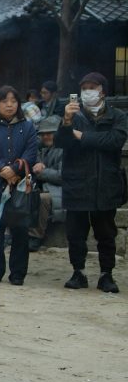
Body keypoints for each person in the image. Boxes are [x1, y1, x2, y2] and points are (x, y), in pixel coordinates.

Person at [55, 72, 127, 293]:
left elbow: (115, 140)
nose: (87, 91)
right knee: (75, 233)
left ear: (102, 91)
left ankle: (107, 274)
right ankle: (79, 272)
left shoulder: (117, 116)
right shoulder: (73, 115)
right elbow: (60, 141)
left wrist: (82, 137)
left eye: (92, 87)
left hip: (106, 183)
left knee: (106, 232)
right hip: (77, 182)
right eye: (84, 87)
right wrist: (67, 122)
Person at [0, 86, 39, 285]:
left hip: (19, 185)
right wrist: (2, 169)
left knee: (20, 231)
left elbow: (31, 152)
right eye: (4, 101)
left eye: (13, 100)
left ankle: (18, 273)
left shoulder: (27, 127)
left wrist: (15, 170)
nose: (9, 104)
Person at [28, 115, 63, 251]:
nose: (46, 137)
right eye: (43, 134)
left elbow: (62, 176)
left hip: (61, 191)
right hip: (45, 187)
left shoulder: (65, 149)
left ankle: (35, 237)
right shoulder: (41, 149)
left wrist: (41, 172)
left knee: (42, 199)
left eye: (50, 133)